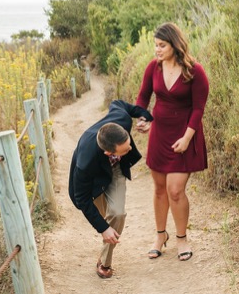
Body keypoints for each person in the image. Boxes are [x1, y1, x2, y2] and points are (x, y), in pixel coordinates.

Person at [135, 22, 210, 262]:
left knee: (175, 190)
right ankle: (160, 236)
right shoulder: (153, 68)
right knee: (159, 188)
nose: (157, 50)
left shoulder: (194, 71)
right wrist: (143, 118)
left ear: (174, 45)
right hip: (160, 133)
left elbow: (198, 109)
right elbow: (143, 96)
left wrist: (188, 138)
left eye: (161, 45)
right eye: (155, 45)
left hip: (184, 134)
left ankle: (181, 239)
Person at [68, 100, 153, 279]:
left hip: (115, 169)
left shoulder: (121, 119)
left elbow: (120, 104)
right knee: (105, 221)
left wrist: (145, 116)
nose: (130, 148)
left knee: (117, 215)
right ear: (110, 152)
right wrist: (103, 228)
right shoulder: (85, 163)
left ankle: (104, 261)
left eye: (129, 144)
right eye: (126, 149)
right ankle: (106, 231)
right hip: (94, 179)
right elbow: (81, 199)